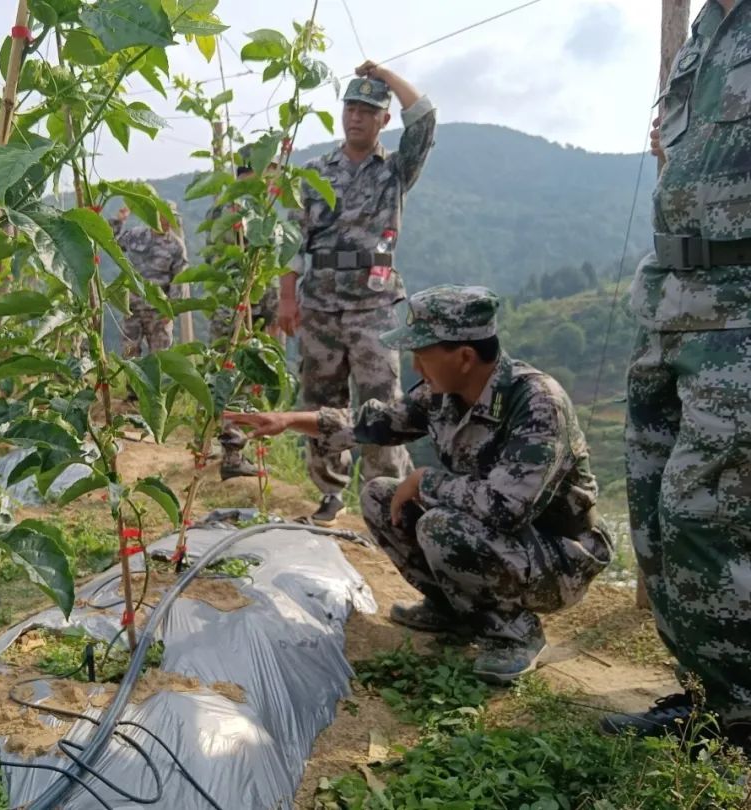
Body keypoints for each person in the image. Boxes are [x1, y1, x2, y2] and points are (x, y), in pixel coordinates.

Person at [228, 285, 613, 684]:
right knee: (380, 496)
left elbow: (506, 508)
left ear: (464, 357)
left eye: (422, 354)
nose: (415, 366)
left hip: (556, 557)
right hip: (493, 537)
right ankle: (451, 609)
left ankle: (515, 633)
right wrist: (289, 421)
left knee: (438, 525)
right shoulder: (442, 394)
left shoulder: (536, 403)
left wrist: (426, 480)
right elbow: (373, 423)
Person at [603, 0, 751, 751]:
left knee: (709, 517)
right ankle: (710, 694)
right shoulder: (702, 35)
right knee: (656, 517)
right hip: (670, 304)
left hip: (741, 313)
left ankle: (746, 715)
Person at [280, 60, 436, 525]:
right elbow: (291, 240)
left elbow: (425, 118)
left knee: (381, 404)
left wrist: (385, 75)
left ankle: (386, 496)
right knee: (321, 401)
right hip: (321, 303)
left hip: (374, 306)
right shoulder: (313, 172)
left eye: (368, 110)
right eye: (351, 107)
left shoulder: (395, 171)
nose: (356, 117)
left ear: (383, 119)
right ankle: (330, 492)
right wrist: (287, 298)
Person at [205, 146, 282, 480]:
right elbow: (217, 258)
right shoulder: (231, 209)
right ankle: (233, 455)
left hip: (262, 303)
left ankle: (245, 446)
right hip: (235, 303)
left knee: (256, 378)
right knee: (232, 375)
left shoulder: (265, 209)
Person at [110, 203, 187, 359]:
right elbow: (112, 241)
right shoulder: (136, 235)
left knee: (160, 358)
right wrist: (118, 221)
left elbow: (179, 279)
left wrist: (171, 310)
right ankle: (131, 384)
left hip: (159, 312)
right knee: (129, 356)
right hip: (132, 308)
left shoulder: (176, 245)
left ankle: (156, 384)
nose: (165, 221)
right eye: (163, 216)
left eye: (169, 217)